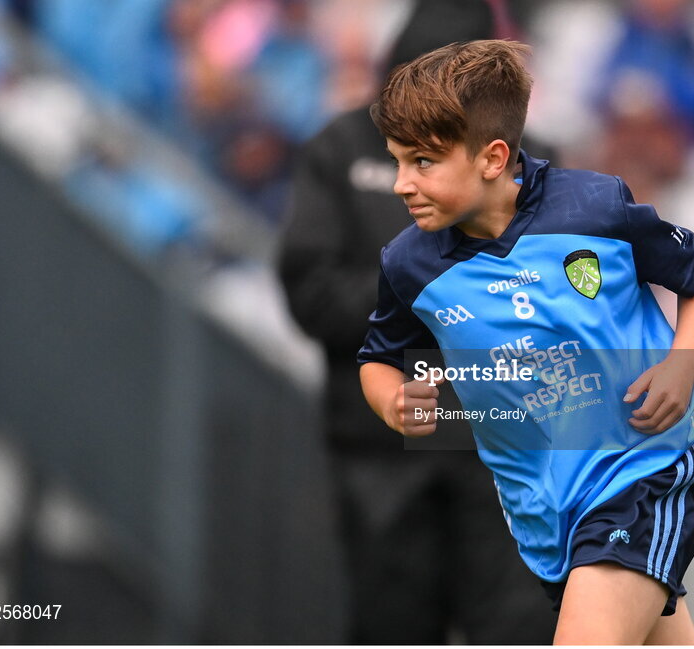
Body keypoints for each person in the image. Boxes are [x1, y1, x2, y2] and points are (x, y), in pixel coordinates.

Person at [358, 40, 694, 644]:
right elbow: (376, 358)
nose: (402, 183)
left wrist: (682, 367)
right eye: (396, 161)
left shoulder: (594, 209)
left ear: (493, 157)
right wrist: (393, 400)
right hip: (544, 518)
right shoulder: (409, 265)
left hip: (641, 478)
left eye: (423, 162)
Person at [277, 2, 557, 643]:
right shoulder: (343, 148)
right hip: (382, 447)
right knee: (392, 630)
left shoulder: (533, 163)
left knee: (516, 632)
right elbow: (310, 290)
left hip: (504, 454)